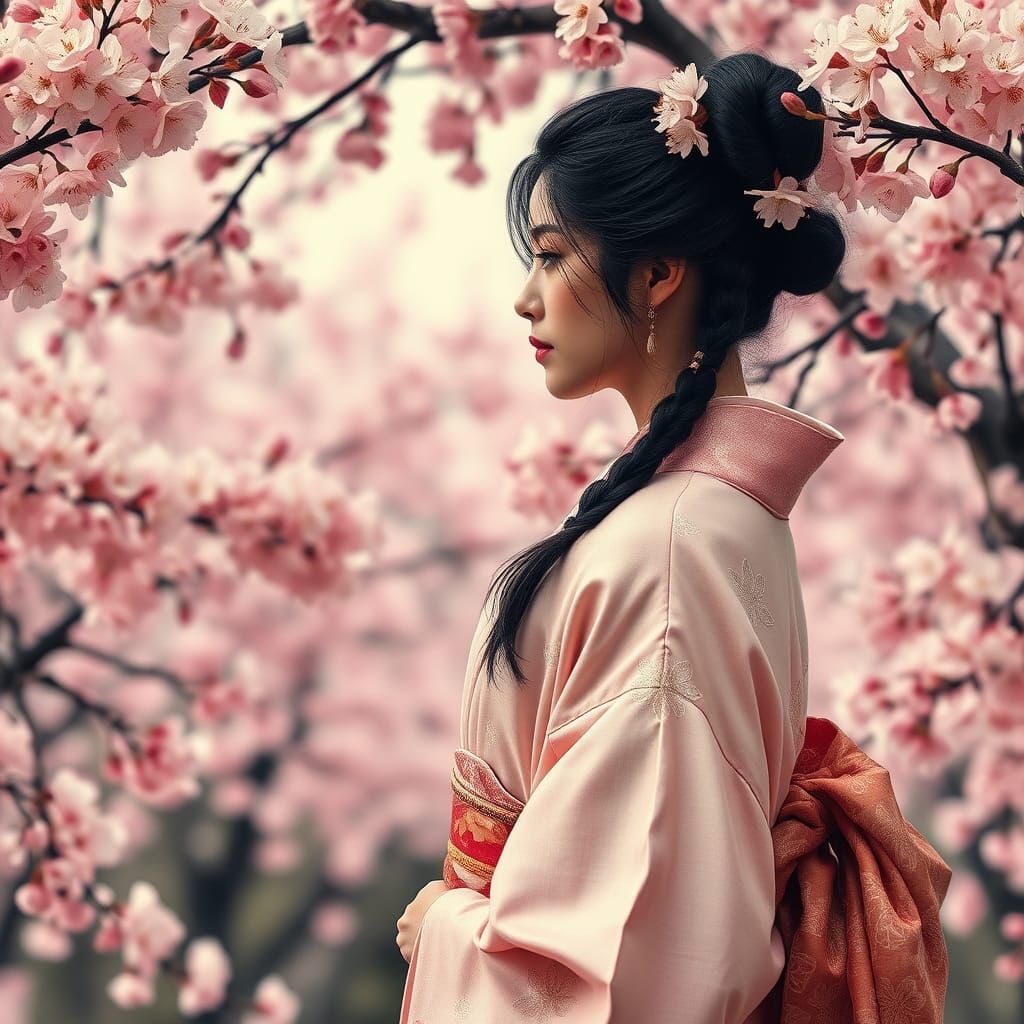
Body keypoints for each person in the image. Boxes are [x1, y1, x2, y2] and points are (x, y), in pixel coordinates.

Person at [397, 51, 952, 1024]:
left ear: (655, 273)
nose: (526, 296)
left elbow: (637, 973)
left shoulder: (665, 549)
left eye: (553, 254)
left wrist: (445, 920)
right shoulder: (712, 521)